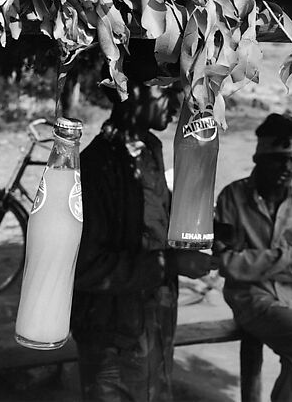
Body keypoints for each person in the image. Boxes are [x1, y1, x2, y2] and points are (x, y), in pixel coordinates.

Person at [70, 46, 214, 402]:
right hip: (111, 338)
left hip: (153, 325)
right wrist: (169, 263)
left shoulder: (149, 148)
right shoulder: (96, 166)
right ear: (128, 92)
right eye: (164, 86)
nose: (176, 96)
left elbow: (157, 224)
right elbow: (86, 267)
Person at [213, 113, 292, 402]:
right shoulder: (231, 198)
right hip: (253, 299)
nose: (287, 167)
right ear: (259, 157)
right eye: (278, 158)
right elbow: (228, 265)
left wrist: (254, 264)